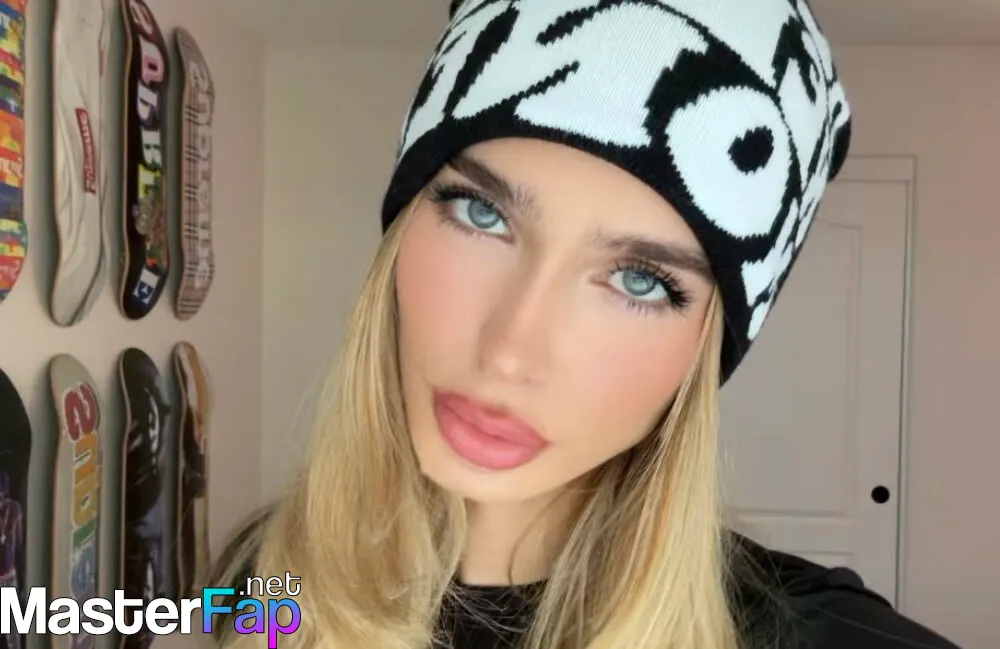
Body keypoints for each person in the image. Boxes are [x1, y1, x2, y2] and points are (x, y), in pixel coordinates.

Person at [207, 1, 962, 648]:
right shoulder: (266, 575)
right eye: (482, 214)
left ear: (705, 348)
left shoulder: (813, 633)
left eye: (640, 281)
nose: (510, 351)